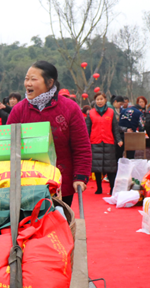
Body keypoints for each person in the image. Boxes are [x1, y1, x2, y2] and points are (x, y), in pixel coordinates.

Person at [7, 60, 92, 206]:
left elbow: (82, 146)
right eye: (26, 79)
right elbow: (7, 145)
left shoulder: (69, 108)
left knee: (58, 225)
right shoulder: (18, 110)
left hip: (60, 184)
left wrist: (80, 177)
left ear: (50, 82)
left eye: (33, 79)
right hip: (26, 185)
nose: (28, 83)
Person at [86, 92, 123, 195]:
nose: (99, 101)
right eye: (97, 99)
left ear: (105, 100)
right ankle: (99, 188)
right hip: (95, 142)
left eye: (101, 99)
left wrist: (118, 139)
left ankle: (112, 188)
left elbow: (115, 128)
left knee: (110, 167)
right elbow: (87, 128)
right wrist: (86, 141)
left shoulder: (111, 112)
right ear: (95, 101)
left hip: (109, 141)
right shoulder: (91, 113)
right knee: (97, 167)